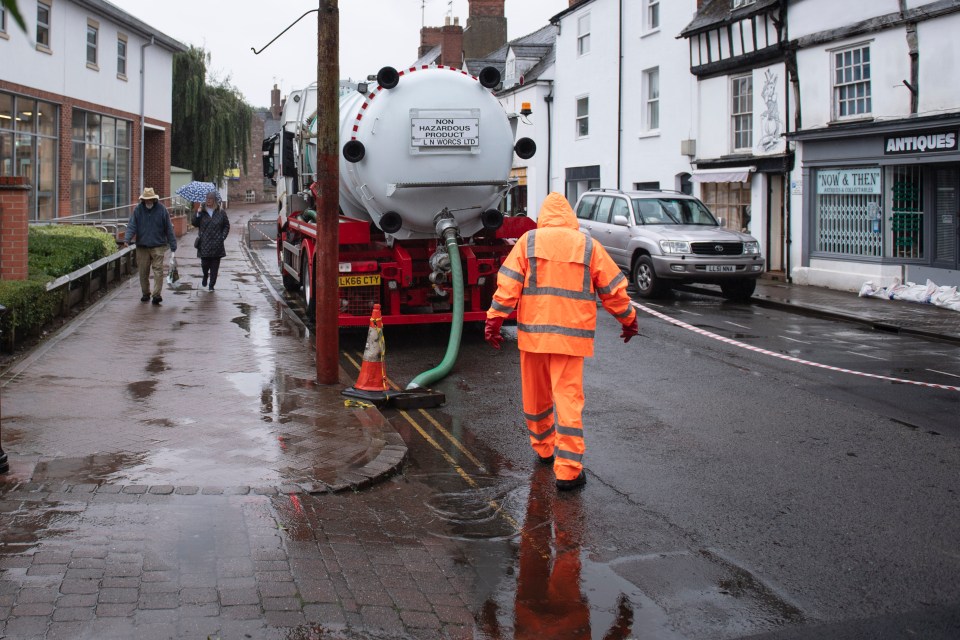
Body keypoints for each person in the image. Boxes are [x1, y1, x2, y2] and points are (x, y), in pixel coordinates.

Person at [485, 192, 639, 491]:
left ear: (543, 217)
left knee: (535, 395)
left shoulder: (528, 241)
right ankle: (568, 470)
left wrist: (494, 320)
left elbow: (508, 286)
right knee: (567, 399)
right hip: (571, 338)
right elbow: (613, 289)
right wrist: (628, 320)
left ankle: (544, 449)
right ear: (570, 217)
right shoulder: (587, 245)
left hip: (534, 336)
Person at [125, 187, 177, 305]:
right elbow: (132, 225)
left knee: (158, 270)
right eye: (146, 200)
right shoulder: (138, 210)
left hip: (158, 245)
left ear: (154, 199)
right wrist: (127, 239)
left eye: (150, 200)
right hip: (142, 246)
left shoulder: (162, 210)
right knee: (143, 271)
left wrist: (173, 244)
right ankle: (145, 293)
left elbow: (168, 228)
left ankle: (156, 295)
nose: (148, 202)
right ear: (143, 200)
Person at [192, 190, 230, 291]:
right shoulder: (202, 211)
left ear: (214, 200)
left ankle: (211, 285)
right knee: (204, 264)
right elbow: (194, 223)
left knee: (215, 267)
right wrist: (198, 213)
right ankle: (205, 275)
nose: (208, 201)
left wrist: (223, 237)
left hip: (217, 244)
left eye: (210, 199)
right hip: (204, 243)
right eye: (207, 199)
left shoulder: (221, 212)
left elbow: (226, 225)